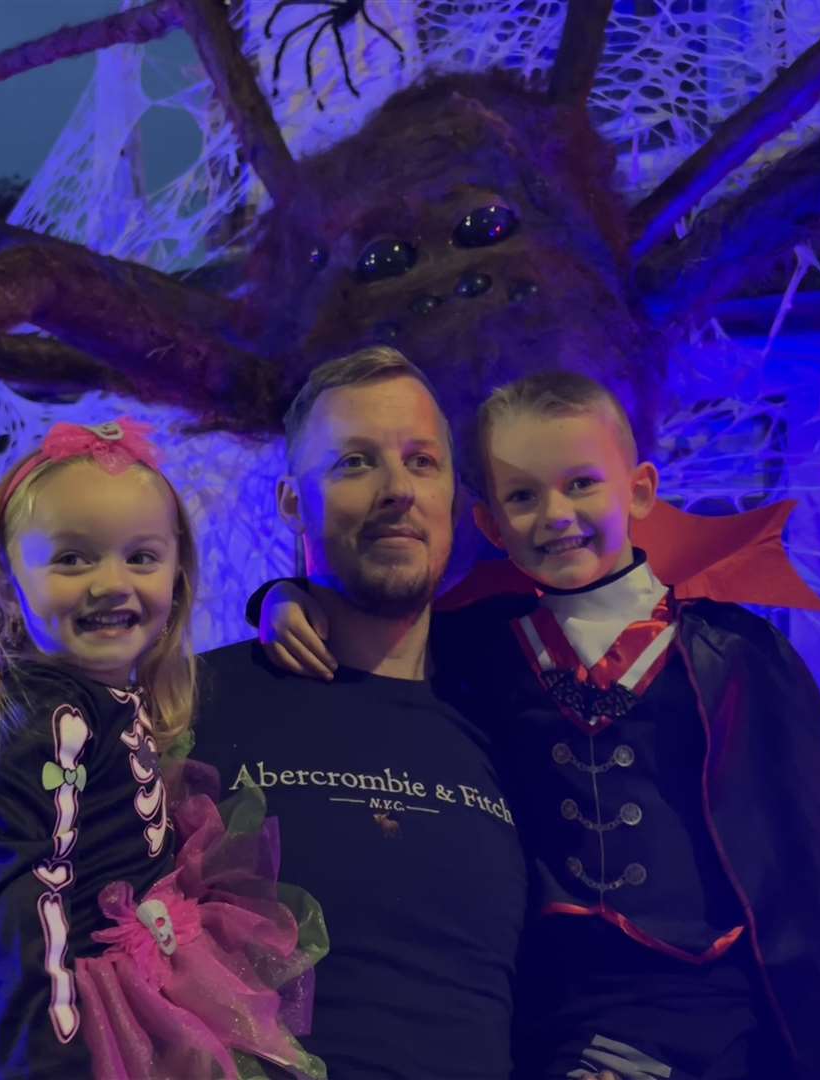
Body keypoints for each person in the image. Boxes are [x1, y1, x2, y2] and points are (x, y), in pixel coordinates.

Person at [260, 370, 820, 1080]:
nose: (555, 514)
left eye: (581, 483)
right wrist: (280, 598)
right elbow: (370, 618)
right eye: (522, 496)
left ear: (639, 489)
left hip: (715, 1009)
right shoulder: (476, 649)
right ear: (488, 524)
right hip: (556, 1012)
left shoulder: (735, 654)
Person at [0, 420, 325, 1080]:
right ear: (8, 585)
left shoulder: (107, 695)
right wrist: (46, 1060)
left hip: (148, 972)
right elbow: (22, 903)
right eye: (72, 559)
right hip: (73, 1016)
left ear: (176, 582)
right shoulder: (47, 722)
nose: (111, 583)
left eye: (140, 558)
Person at [189, 348, 529, 1078]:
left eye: (422, 461)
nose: (398, 490)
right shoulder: (197, 702)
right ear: (290, 501)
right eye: (354, 463)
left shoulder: (521, 719)